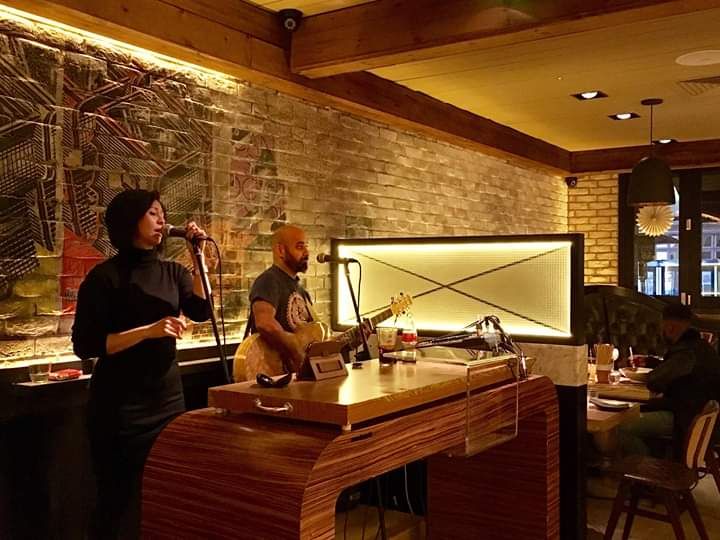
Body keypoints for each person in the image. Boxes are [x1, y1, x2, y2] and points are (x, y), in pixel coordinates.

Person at [72, 189, 212, 539]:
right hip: (119, 408)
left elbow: (202, 310)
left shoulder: (173, 272)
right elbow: (85, 345)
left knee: (169, 495)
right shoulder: (104, 277)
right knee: (115, 501)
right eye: (152, 213)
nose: (162, 219)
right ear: (129, 220)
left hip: (167, 401)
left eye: (162, 213)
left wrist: (198, 257)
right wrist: (148, 331)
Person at [619, 303, 720, 459]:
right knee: (634, 415)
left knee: (620, 427)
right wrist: (652, 362)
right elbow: (679, 369)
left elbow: (655, 381)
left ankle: (646, 467)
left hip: (683, 418)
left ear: (670, 327)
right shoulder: (700, 347)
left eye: (663, 326)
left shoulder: (686, 352)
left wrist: (655, 372)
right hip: (695, 415)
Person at [245, 224, 317, 376]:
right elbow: (264, 323)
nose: (306, 253)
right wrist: (294, 347)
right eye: (300, 247)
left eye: (306, 247)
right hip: (276, 375)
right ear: (281, 250)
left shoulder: (302, 291)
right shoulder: (269, 280)